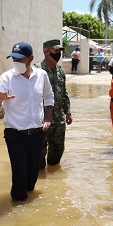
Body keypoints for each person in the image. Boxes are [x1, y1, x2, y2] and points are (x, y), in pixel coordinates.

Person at [0, 42, 54, 201]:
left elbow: (49, 96)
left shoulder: (41, 75)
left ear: (30, 58)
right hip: (15, 134)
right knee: (19, 173)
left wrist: (48, 118)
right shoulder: (6, 78)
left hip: (37, 133)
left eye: (20, 59)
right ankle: (17, 209)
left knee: (32, 175)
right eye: (14, 59)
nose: (16, 62)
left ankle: (28, 208)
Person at [38, 39, 73, 169]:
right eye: (55, 50)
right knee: (38, 159)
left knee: (56, 155)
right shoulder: (37, 70)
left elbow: (64, 93)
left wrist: (68, 112)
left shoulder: (60, 70)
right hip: (41, 120)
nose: (58, 53)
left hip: (59, 119)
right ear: (46, 51)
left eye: (59, 51)